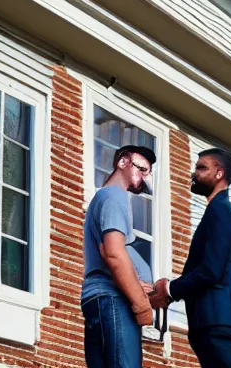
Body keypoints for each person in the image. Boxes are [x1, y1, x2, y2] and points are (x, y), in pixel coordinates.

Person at [150, 148, 231, 368]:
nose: (194, 173)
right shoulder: (217, 210)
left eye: (201, 168)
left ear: (219, 174)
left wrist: (170, 290)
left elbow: (211, 270)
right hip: (214, 319)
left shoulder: (220, 210)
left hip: (221, 319)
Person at [81, 144, 156, 368]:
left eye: (148, 172)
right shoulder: (115, 196)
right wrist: (142, 305)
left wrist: (136, 282)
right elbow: (113, 253)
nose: (145, 177)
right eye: (141, 169)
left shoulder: (104, 198)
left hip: (102, 299)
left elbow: (107, 251)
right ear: (122, 162)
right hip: (113, 300)